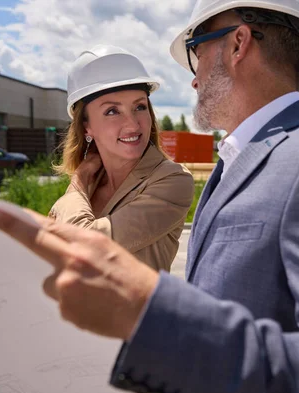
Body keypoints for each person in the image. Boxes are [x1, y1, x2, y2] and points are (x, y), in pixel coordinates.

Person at [0, 0, 299, 393]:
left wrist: (148, 312)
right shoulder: (232, 165)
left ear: (238, 44)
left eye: (195, 51)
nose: (193, 76)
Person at [48, 45, 194, 272]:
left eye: (139, 107)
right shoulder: (93, 183)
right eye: (112, 111)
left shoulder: (172, 180)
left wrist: (78, 180)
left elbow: (85, 246)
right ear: (86, 126)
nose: (133, 124)